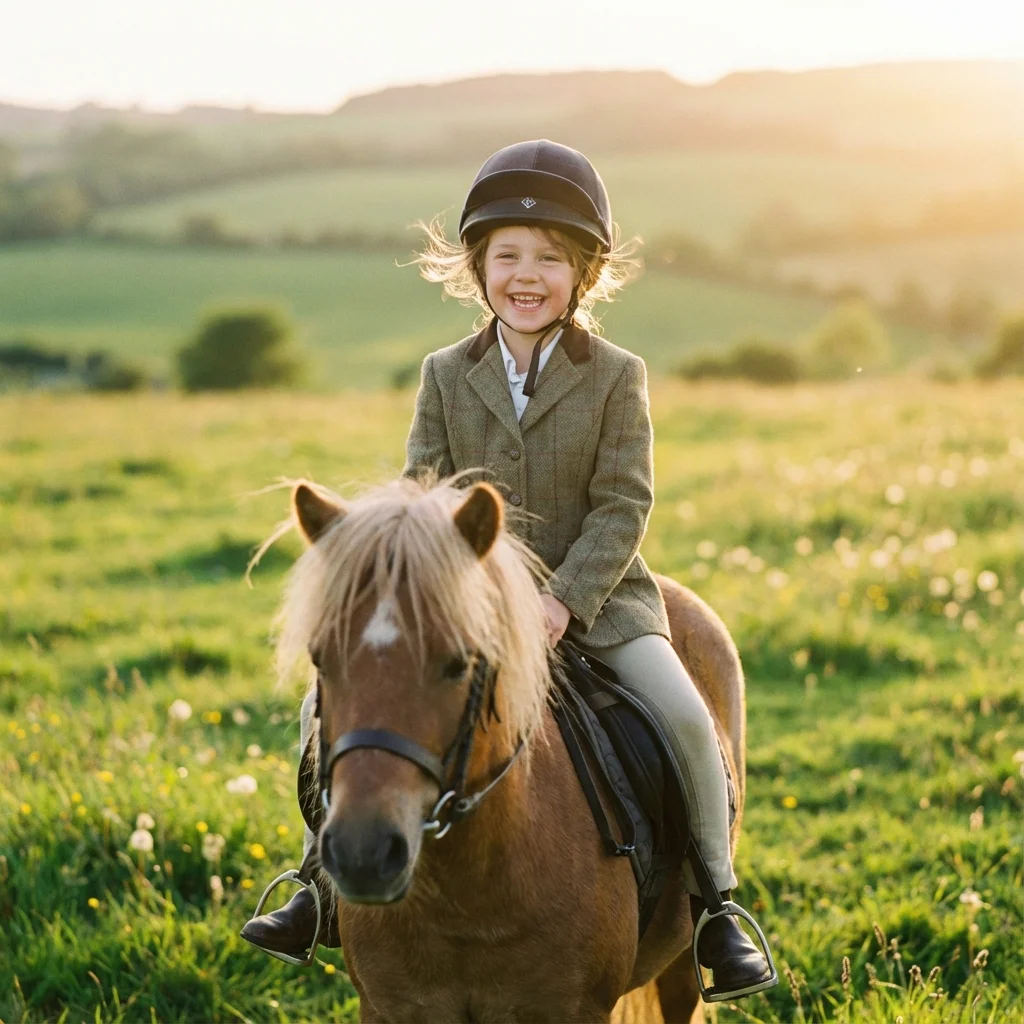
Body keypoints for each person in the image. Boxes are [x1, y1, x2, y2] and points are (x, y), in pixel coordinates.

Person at [242, 139, 773, 999]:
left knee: (682, 716)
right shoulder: (445, 374)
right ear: (478, 268)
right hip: (468, 606)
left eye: (550, 261)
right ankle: (317, 883)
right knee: (325, 707)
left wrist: (563, 601)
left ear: (585, 275)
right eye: (508, 257)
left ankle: (715, 903)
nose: (527, 276)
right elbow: (422, 494)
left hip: (599, 608)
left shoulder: (616, 378)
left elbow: (621, 505)